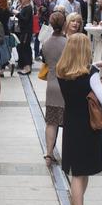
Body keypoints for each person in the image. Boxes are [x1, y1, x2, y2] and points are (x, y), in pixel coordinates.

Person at [56, 34, 102, 205]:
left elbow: (79, 71)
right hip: (88, 126)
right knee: (81, 173)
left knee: (77, 169)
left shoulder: (61, 71)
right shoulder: (90, 74)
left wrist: (96, 66)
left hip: (71, 123)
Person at [40, 11, 67, 166]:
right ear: (64, 24)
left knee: (51, 122)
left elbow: (44, 59)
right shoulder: (68, 43)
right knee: (67, 122)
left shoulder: (46, 43)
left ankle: (49, 154)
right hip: (66, 85)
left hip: (51, 85)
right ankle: (68, 154)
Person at [16, 0, 34, 75]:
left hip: (26, 32)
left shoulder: (28, 8)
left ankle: (27, 68)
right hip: (23, 31)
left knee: (24, 48)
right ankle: (27, 65)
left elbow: (25, 19)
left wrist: (17, 14)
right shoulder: (24, 7)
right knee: (23, 47)